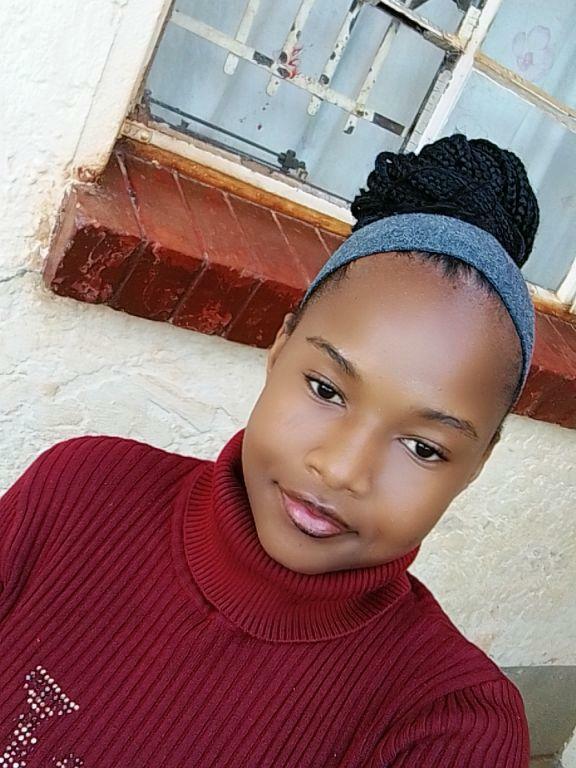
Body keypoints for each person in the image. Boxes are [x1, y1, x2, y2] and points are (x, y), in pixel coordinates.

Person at [0, 134, 539, 767]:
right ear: (279, 349)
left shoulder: (452, 729)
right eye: (326, 390)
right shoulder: (80, 491)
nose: (340, 469)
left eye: (423, 447)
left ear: (477, 465)